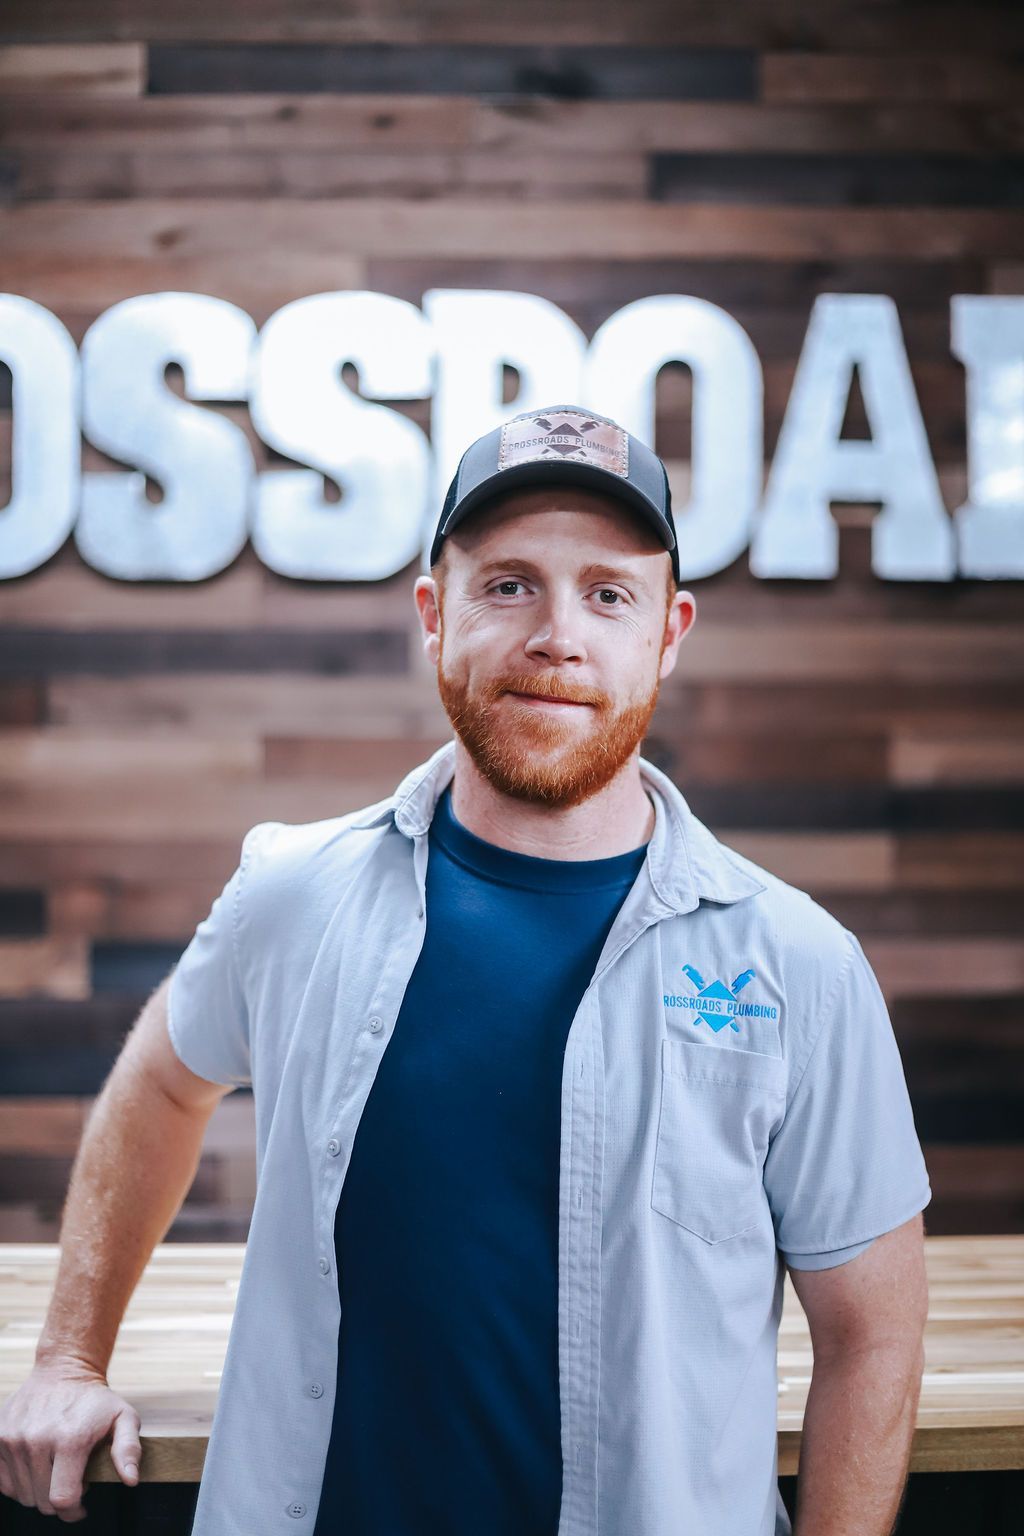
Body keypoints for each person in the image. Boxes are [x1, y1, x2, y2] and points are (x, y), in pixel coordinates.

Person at [0, 405, 932, 1536]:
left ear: (669, 633)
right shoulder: (291, 893)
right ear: (434, 614)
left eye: (608, 593)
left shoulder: (798, 967)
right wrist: (67, 1358)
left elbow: (871, 1337)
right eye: (508, 585)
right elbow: (161, 1079)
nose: (557, 636)